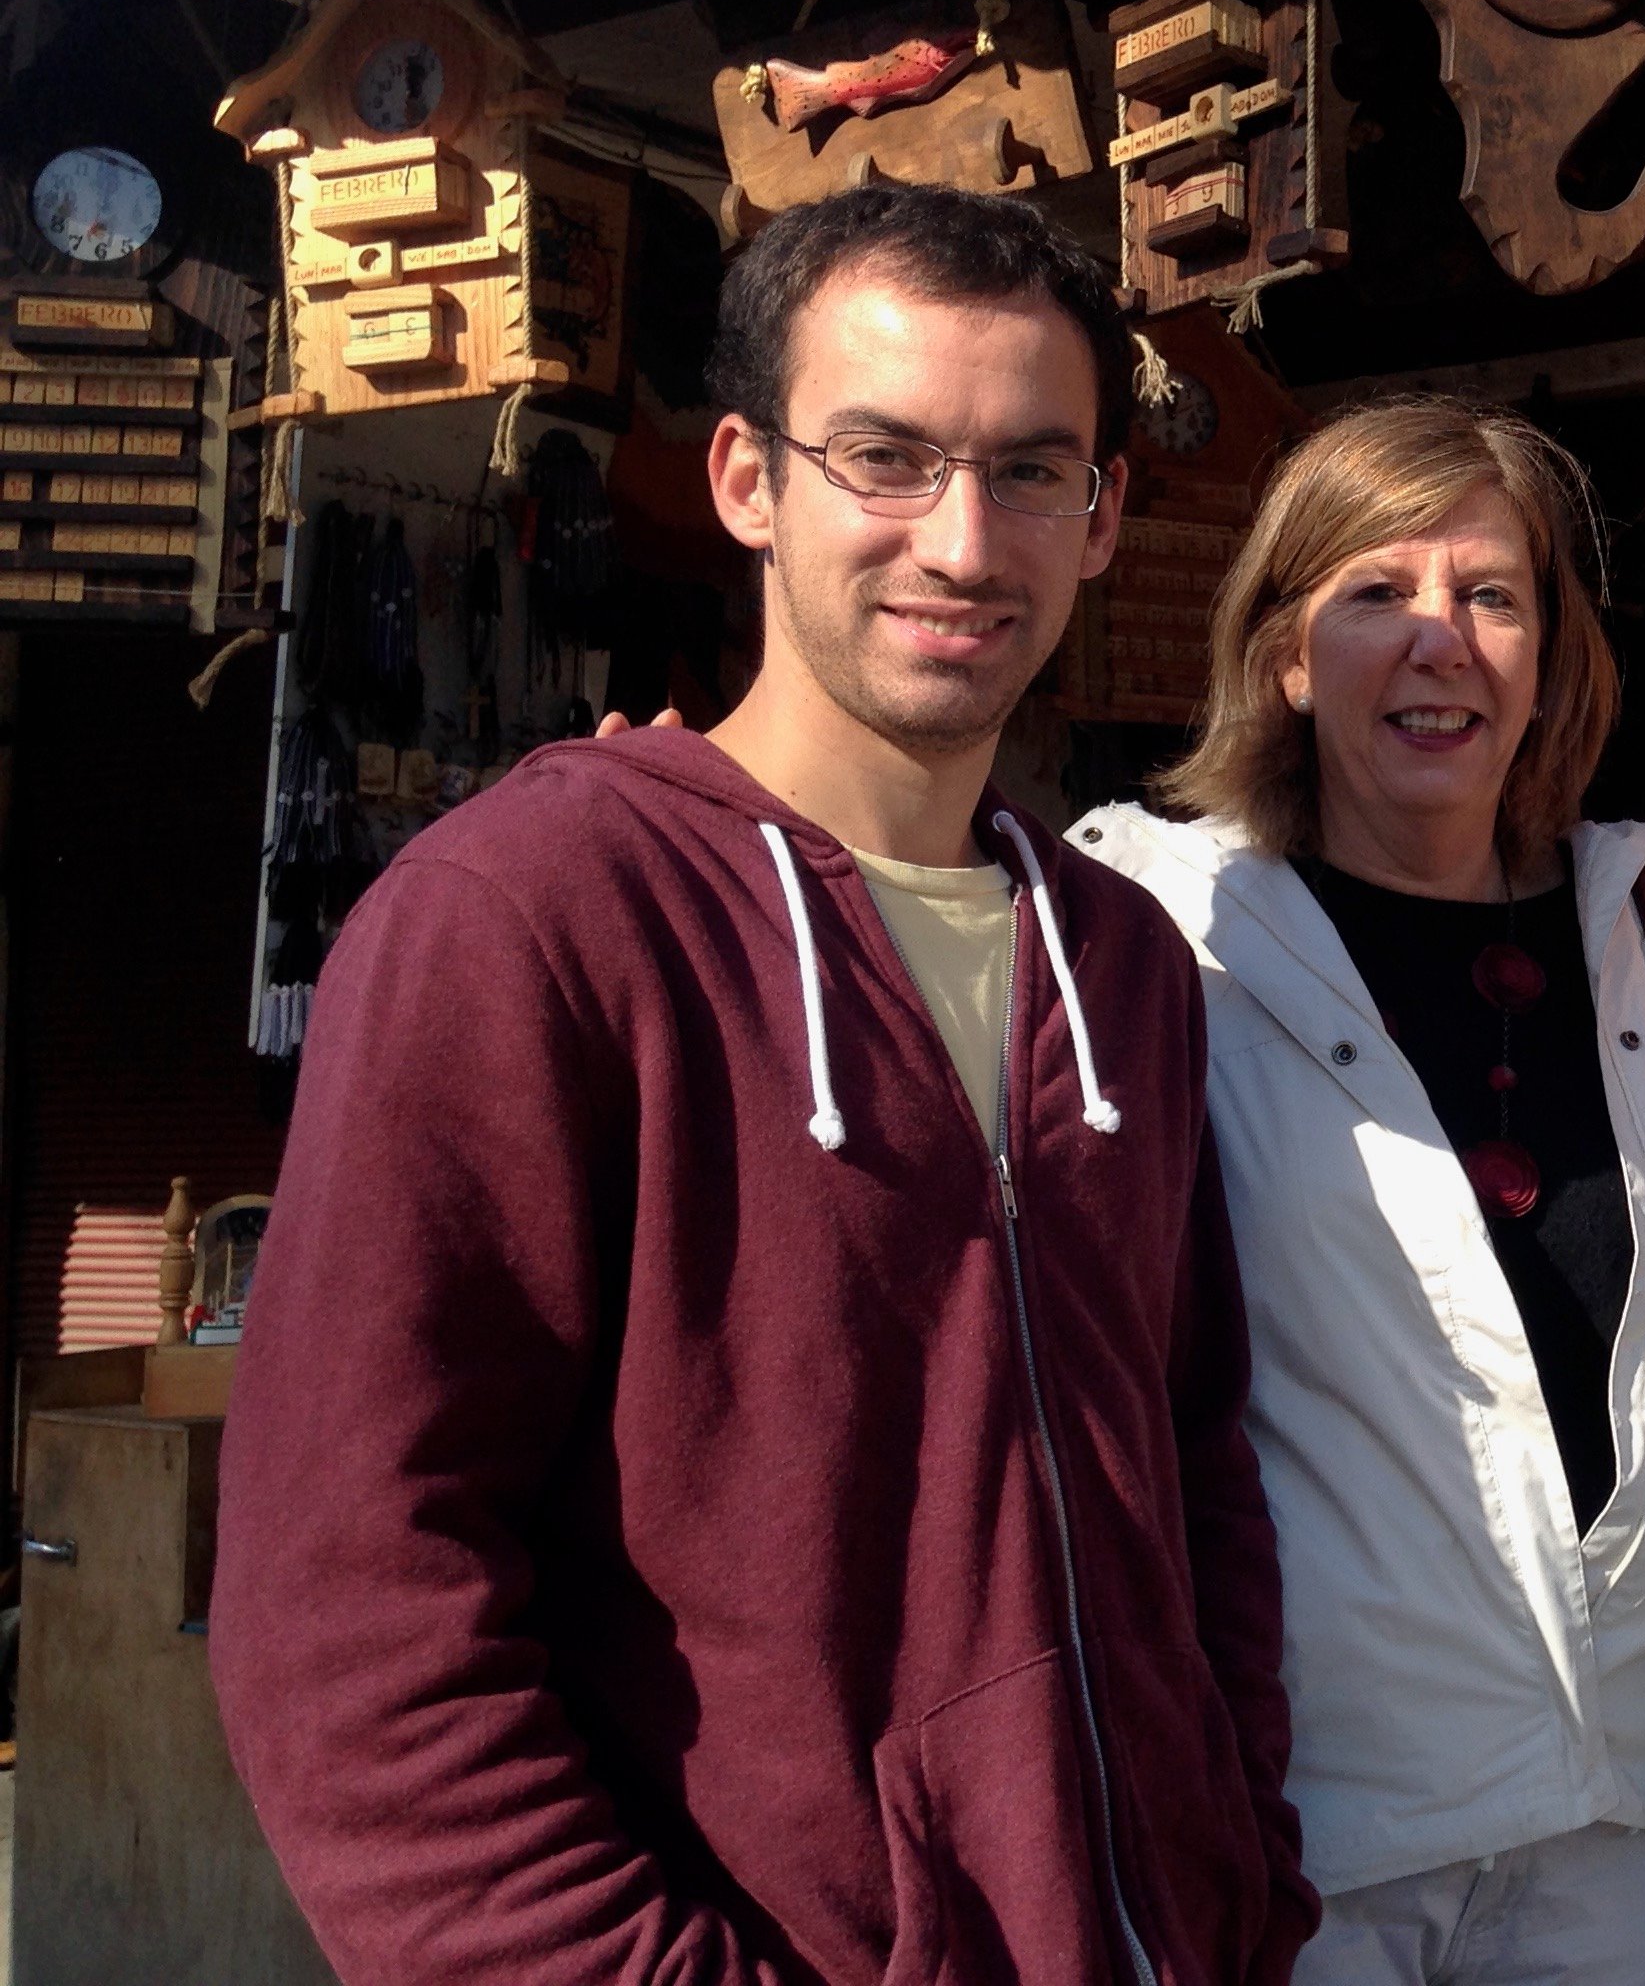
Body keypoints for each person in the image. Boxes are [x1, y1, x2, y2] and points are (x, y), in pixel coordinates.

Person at [211, 186, 1315, 1986]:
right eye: (885, 457)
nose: (963, 541)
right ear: (746, 480)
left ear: (1106, 514)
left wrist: (1241, 1883)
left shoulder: (1121, 964)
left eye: (1034, 471)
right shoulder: (529, 920)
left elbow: (1199, 1476)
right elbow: (349, 1615)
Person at [1074, 398, 1645, 1986]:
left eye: (1493, 596)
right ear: (1286, 652)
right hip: (1294, 1842)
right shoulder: (1157, 936)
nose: (1442, 641)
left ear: (1554, 657)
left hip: (1608, 1828)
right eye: (1377, 594)